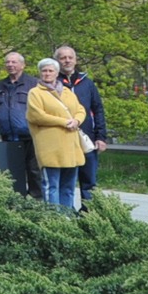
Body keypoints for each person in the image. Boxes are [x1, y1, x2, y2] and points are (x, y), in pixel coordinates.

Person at [25, 57, 87, 210]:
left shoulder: (67, 92)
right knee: (51, 186)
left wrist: (77, 121)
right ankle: (53, 218)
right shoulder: (35, 93)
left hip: (70, 147)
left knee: (68, 186)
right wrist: (64, 122)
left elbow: (80, 109)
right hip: (50, 148)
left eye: (50, 70)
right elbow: (36, 116)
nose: (47, 74)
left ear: (57, 73)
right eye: (44, 71)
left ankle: (67, 217)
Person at [56, 45, 107, 204]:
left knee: (89, 181)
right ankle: (66, 214)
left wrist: (101, 137)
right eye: (63, 58)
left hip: (87, 138)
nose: (67, 60)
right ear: (57, 61)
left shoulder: (87, 83)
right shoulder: (53, 83)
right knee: (66, 181)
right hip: (63, 138)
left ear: (76, 60)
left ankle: (89, 214)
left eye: (70, 57)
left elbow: (97, 110)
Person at [0, 52, 38, 194]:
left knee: (34, 172)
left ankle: (36, 203)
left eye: (14, 62)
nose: (10, 65)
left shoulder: (33, 84)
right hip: (8, 138)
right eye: (7, 62)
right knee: (12, 174)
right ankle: (15, 204)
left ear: (22, 65)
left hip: (30, 137)